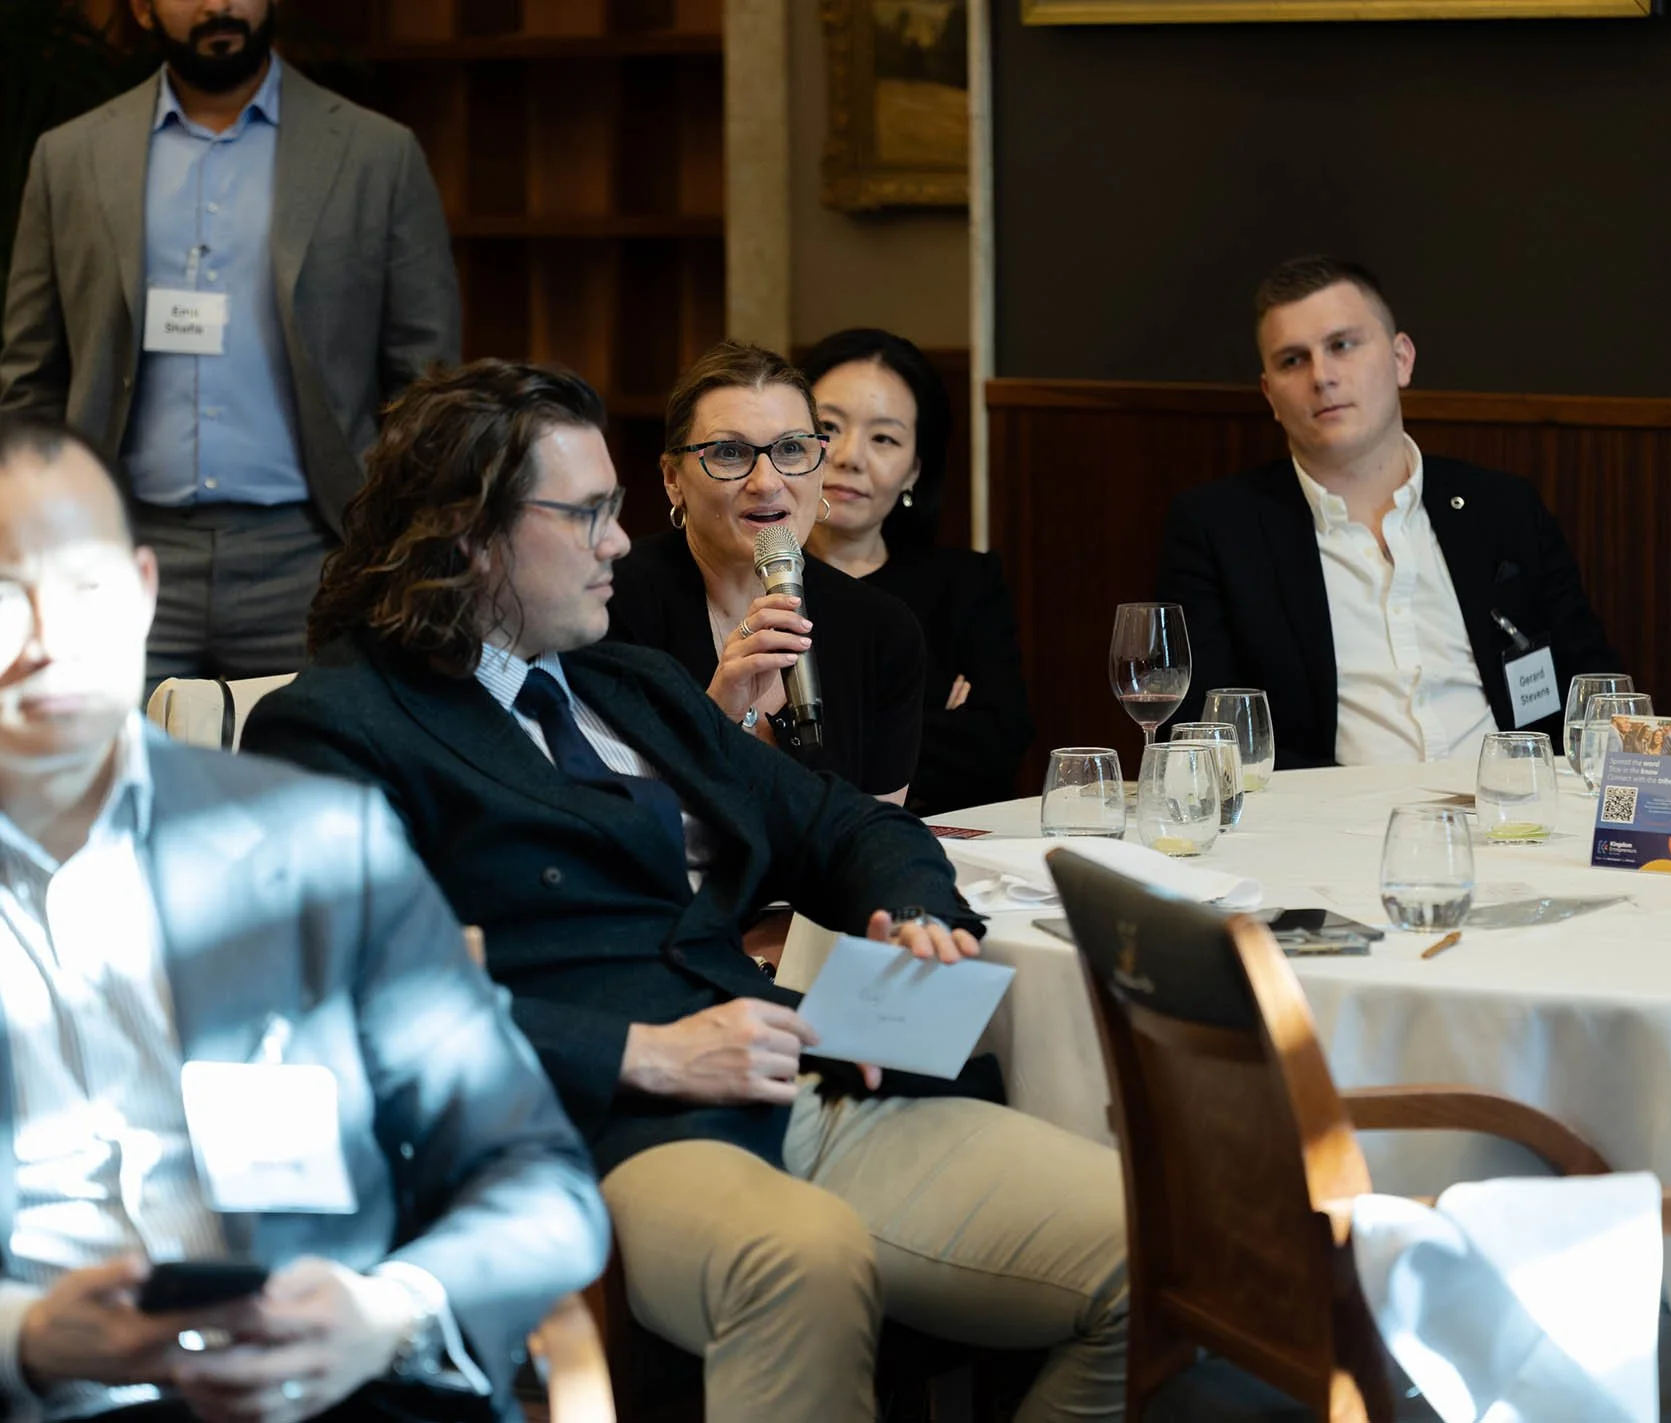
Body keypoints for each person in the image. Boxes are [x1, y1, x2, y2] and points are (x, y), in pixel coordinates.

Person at [242, 361, 1129, 1423]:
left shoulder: (627, 685)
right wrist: (644, 1053)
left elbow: (848, 820)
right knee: (801, 1256)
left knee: (1151, 1241)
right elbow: (335, 1006)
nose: (618, 543)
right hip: (599, 1124)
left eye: (615, 512)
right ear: (465, 536)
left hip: (800, 1079)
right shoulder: (338, 726)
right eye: (584, 515)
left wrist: (917, 910)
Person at [0, 413, 606, 1422]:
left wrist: (383, 1311)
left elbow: (535, 1174)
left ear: (144, 594)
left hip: (325, 1390)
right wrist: (14, 1331)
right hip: (17, 1396)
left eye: (86, 591)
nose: (48, 644)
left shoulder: (326, 841)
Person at [0, 0, 461, 693]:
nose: (219, 6)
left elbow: (427, 378)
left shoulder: (375, 154)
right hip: (120, 554)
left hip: (315, 555)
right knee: (115, 787)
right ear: (143, 8)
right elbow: (32, 375)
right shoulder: (69, 158)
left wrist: (395, 538)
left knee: (304, 793)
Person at [1156, 255, 1619, 770]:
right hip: (1326, 834)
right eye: (1292, 360)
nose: (1322, 376)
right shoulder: (1219, 530)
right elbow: (1204, 737)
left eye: (1342, 345)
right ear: (1270, 394)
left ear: (1402, 359)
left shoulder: (1502, 508)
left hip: (1515, 813)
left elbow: (1592, 694)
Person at [605, 341, 926, 802]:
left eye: (791, 449)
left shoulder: (881, 630)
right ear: (673, 479)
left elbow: (877, 838)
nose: (767, 482)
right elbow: (605, 816)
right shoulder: (608, 602)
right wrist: (717, 712)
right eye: (730, 453)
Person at [801, 328, 1033, 815]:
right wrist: (918, 721)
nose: (849, 457)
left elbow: (993, 751)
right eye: (828, 427)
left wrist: (810, 735)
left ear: (912, 471)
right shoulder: (748, 578)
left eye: (883, 438)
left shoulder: (967, 586)